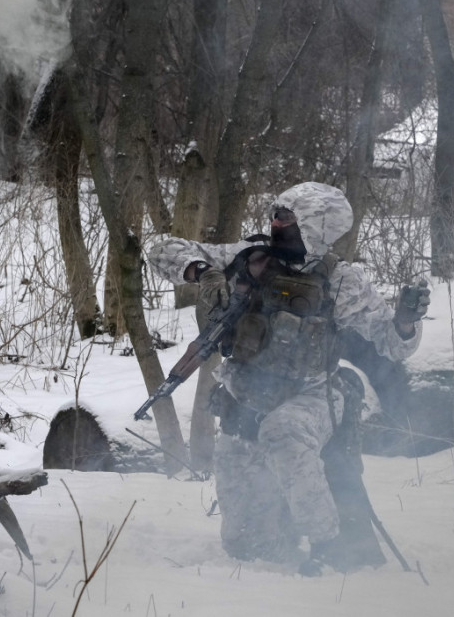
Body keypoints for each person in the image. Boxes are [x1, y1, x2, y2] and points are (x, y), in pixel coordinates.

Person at [147, 182, 429, 575]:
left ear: (314, 227)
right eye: (275, 215)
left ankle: (329, 543)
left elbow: (393, 345)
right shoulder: (250, 257)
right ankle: (279, 537)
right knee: (245, 544)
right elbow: (159, 247)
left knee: (285, 433)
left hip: (313, 396)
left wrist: (404, 322)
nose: (276, 223)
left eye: (287, 218)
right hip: (245, 399)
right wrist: (201, 270)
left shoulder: (342, 281)